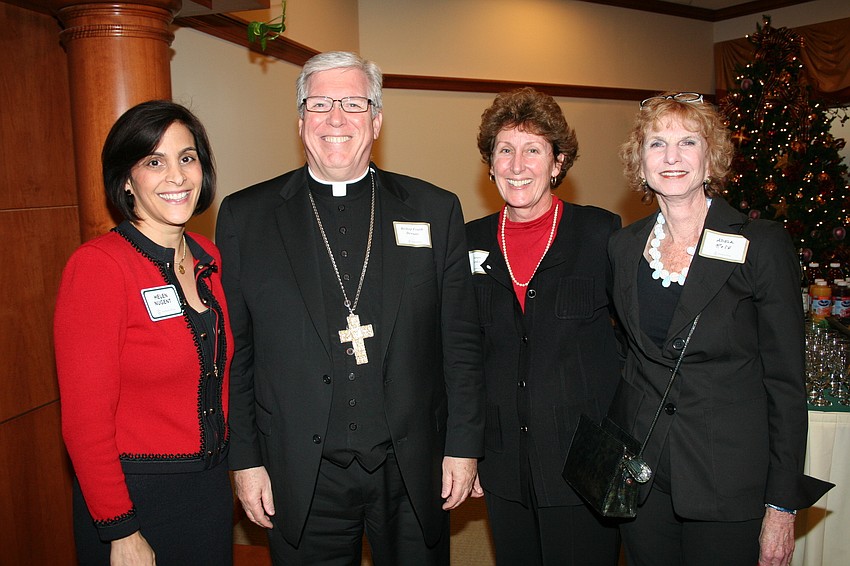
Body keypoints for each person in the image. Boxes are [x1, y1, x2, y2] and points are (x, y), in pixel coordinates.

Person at [216, 51, 484, 565]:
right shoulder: (246, 217)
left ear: (377, 121)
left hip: (411, 466)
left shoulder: (434, 209)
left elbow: (461, 345)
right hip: (299, 470)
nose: (336, 118)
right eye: (319, 104)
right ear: (300, 122)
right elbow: (238, 353)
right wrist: (246, 461)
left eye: (354, 104)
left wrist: (464, 446)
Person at [607, 91, 833, 566]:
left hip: (727, 478)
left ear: (711, 160)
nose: (671, 157)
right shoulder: (624, 248)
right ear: (639, 163)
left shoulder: (760, 244)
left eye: (688, 142)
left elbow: (786, 385)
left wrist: (781, 504)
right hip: (640, 477)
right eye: (656, 144)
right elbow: (631, 361)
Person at [54, 100, 233, 565]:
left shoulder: (208, 258)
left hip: (209, 491)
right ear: (127, 180)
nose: (177, 176)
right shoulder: (99, 267)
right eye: (154, 162)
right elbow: (84, 421)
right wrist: (120, 528)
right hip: (134, 498)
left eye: (187, 158)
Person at [465, 87, 622, 565]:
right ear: (490, 164)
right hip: (504, 462)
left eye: (533, 150)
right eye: (504, 151)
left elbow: (634, 347)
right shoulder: (467, 242)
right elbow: (462, 357)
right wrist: (464, 451)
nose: (517, 165)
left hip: (585, 463)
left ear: (557, 162)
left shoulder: (600, 234)